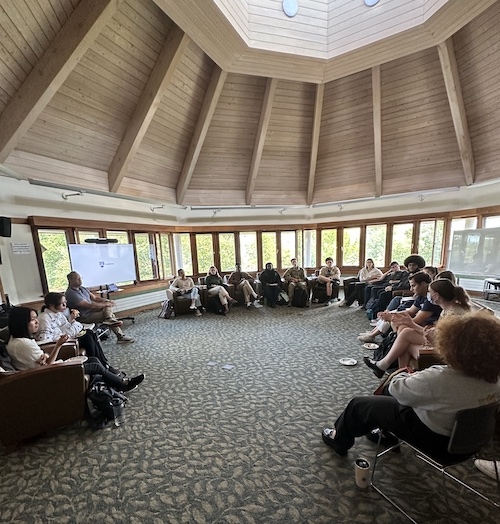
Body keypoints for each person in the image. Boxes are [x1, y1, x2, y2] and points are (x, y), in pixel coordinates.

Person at [322, 311, 500, 463]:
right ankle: (384, 433)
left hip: (436, 443)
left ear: (453, 347)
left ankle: (339, 439)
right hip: (471, 444)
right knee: (397, 400)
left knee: (359, 404)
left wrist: (404, 372)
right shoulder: (495, 379)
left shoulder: (439, 378)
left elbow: (396, 388)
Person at [6, 307, 144, 392]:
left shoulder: (17, 340)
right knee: (95, 365)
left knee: (93, 358)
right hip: (47, 375)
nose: (37, 322)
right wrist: (59, 345)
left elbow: (43, 361)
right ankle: (122, 384)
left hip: (47, 370)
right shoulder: (23, 344)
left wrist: (46, 356)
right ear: (22, 323)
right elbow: (47, 365)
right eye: (33, 320)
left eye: (36, 319)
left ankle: (116, 382)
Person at [363, 278, 471, 377]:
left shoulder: (453, 314)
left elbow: (440, 338)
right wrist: (411, 324)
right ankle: (399, 374)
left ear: (437, 296)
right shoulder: (448, 309)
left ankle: (386, 367)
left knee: (406, 334)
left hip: (451, 350)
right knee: (405, 338)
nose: (428, 295)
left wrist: (412, 324)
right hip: (444, 342)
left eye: (430, 292)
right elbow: (438, 334)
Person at [37, 292, 125, 375]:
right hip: (59, 343)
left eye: (65, 303)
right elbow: (46, 339)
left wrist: (72, 319)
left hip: (67, 337)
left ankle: (104, 364)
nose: (65, 306)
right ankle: (103, 366)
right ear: (51, 305)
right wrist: (72, 326)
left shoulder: (58, 314)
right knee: (87, 337)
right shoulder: (44, 318)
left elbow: (66, 327)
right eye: (62, 304)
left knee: (90, 333)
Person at [358, 271, 441, 343]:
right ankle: (373, 334)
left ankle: (374, 336)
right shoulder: (421, 296)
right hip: (421, 322)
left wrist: (392, 317)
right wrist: (391, 314)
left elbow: (416, 321)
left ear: (423, 284)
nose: (411, 289)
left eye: (413, 286)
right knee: (392, 314)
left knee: (394, 319)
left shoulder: (431, 300)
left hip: (428, 326)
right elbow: (411, 311)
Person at [65, 272, 134, 344]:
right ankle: (119, 335)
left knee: (107, 308)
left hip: (92, 311)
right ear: (70, 280)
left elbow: (94, 298)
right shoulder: (71, 293)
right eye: (77, 278)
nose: (80, 280)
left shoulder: (82, 288)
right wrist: (106, 304)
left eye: (80, 278)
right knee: (107, 312)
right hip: (84, 316)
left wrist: (105, 301)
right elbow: (90, 305)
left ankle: (109, 320)